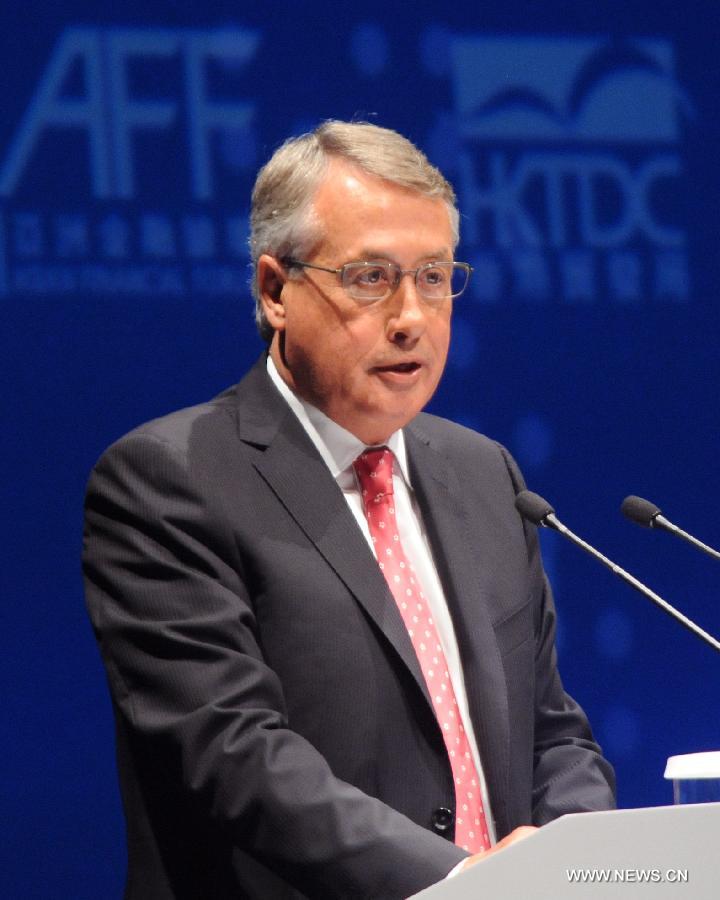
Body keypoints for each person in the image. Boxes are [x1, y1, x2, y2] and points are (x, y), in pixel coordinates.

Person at [82, 120, 615, 899]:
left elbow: (552, 727)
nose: (411, 316)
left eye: (433, 277)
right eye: (371, 277)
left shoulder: (482, 473)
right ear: (274, 291)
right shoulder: (170, 481)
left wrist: (577, 864)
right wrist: (463, 882)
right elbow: (237, 756)